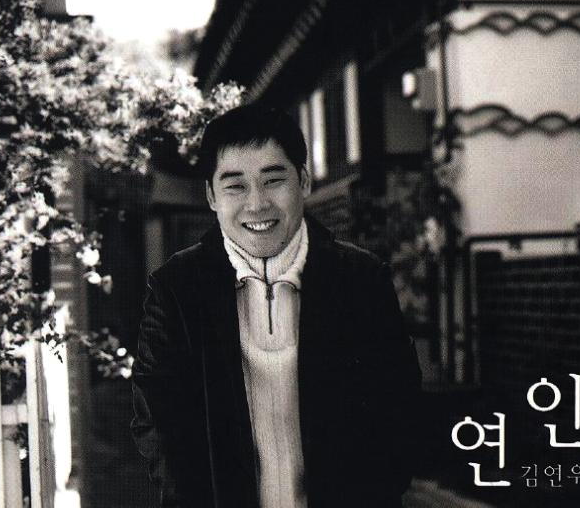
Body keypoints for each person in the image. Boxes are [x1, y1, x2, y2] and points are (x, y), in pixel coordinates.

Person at [131, 105, 422, 508]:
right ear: (211, 196)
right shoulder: (176, 289)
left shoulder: (361, 280)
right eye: (235, 186)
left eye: (273, 180)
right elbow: (159, 425)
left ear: (303, 181)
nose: (257, 204)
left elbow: (400, 411)